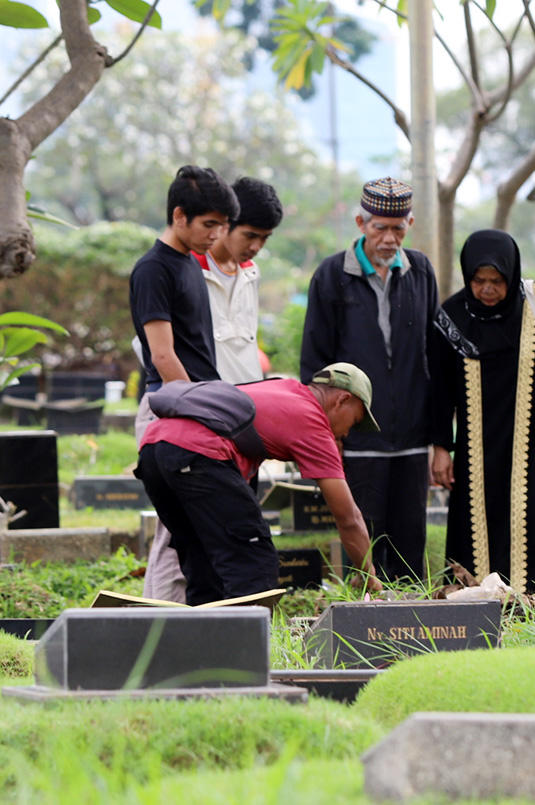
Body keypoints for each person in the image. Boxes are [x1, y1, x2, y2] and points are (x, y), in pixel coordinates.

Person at [137, 364, 383, 604]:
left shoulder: (281, 388)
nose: (348, 434)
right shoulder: (312, 420)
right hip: (198, 453)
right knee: (253, 561)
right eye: (354, 421)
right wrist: (368, 574)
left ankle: (208, 642)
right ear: (342, 400)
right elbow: (348, 516)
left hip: (153, 452)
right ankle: (248, 644)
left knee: (204, 561)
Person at [429, 229, 535, 593]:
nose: (488, 289)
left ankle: (531, 600)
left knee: (531, 518)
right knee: (475, 525)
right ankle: (473, 599)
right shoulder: (451, 318)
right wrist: (441, 448)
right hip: (476, 453)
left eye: (497, 281)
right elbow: (439, 390)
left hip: (534, 444)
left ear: (511, 275)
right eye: (479, 280)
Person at [299, 178, 439, 583]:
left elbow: (433, 350)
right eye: (380, 227)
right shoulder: (331, 276)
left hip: (411, 437)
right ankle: (365, 624)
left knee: (411, 542)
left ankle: (415, 626)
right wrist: (327, 435)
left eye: (399, 228)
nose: (390, 238)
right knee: (364, 540)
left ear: (409, 223)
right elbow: (315, 363)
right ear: (361, 222)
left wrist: (437, 437)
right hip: (356, 436)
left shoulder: (421, 271)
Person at [130, 165, 238, 602]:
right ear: (179, 216)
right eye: (209, 224)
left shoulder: (190, 263)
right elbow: (161, 354)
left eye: (222, 226)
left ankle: (181, 627)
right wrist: (203, 410)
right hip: (170, 408)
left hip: (191, 406)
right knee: (174, 535)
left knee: (192, 531)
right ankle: (163, 627)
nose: (216, 234)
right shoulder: (154, 269)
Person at [199, 177, 283, 384]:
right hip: (201, 401)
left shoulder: (251, 273)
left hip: (247, 401)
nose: (256, 246)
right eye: (250, 235)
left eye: (264, 238)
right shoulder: (189, 269)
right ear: (225, 223)